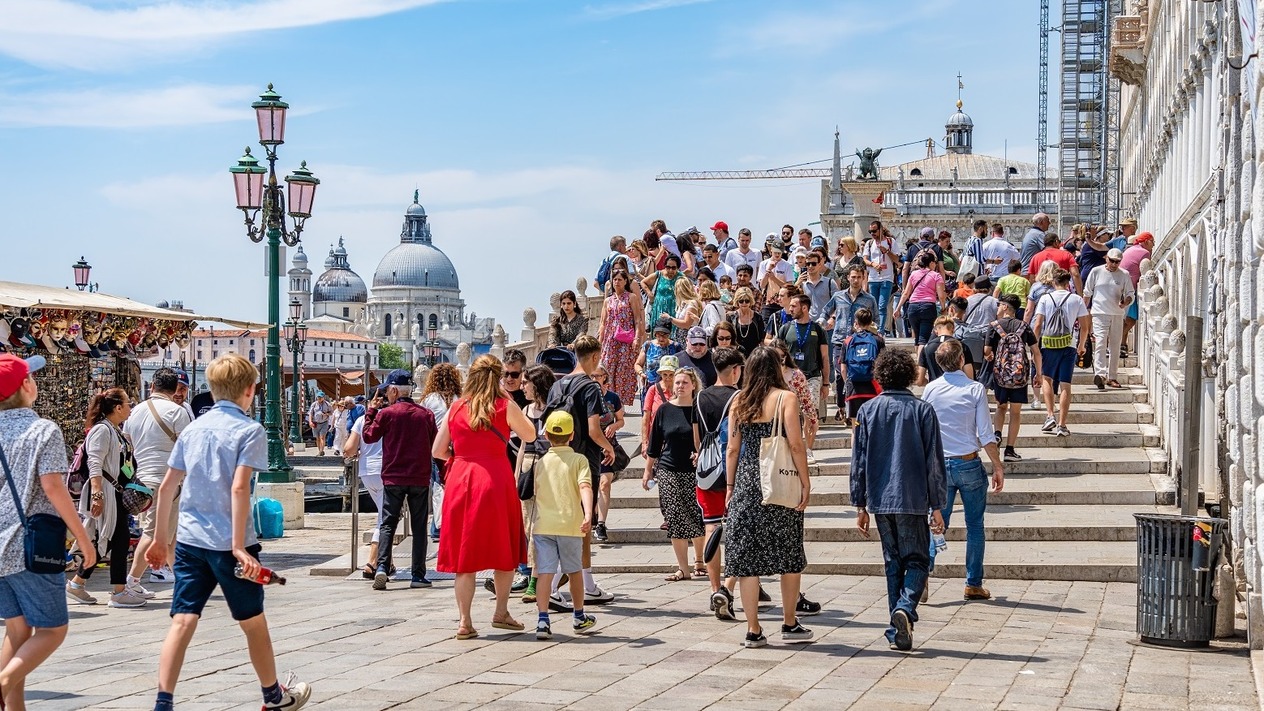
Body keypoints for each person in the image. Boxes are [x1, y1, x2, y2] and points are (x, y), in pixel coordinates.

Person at [146, 353, 312, 711]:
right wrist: (239, 547)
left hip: (190, 539)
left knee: (183, 619)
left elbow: (166, 487)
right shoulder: (249, 430)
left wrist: (160, 539)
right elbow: (240, 488)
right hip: (230, 542)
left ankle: (164, 701)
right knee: (252, 622)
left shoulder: (192, 428)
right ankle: (273, 695)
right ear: (250, 391)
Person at [0, 354, 97, 710]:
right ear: (26, 386)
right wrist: (84, 540)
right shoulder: (43, 429)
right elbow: (54, 487)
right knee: (53, 629)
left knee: (17, 630)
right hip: (29, 545)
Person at [433, 356, 538, 639]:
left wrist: (461, 457)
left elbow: (437, 451)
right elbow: (530, 434)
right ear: (498, 378)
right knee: (503, 548)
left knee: (464, 557)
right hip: (495, 479)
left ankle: (465, 621)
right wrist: (508, 399)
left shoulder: (456, 407)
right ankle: (501, 612)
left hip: (461, 480)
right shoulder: (503, 406)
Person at [851, 349, 946, 652]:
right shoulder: (922, 410)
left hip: (880, 497)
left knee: (893, 562)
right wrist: (938, 504)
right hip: (912, 496)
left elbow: (859, 461)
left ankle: (899, 628)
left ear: (879, 376)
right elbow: (934, 461)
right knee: (917, 559)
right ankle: (905, 608)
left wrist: (860, 503)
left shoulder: (867, 411)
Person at [723, 346, 814, 648]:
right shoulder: (785, 398)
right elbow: (796, 444)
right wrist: (805, 480)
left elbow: (732, 449)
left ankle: (753, 630)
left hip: (748, 484)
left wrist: (730, 486)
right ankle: (789, 623)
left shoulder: (739, 400)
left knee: (747, 561)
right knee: (789, 553)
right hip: (777, 483)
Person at [921, 339, 1005, 602]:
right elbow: (985, 433)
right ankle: (973, 583)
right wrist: (998, 466)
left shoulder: (931, 390)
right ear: (961, 360)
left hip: (939, 465)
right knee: (975, 525)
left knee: (936, 524)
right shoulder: (975, 389)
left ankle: (922, 574)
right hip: (968, 461)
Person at [546, 336, 617, 609]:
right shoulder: (590, 387)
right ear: (596, 356)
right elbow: (593, 430)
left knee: (566, 521)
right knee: (583, 522)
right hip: (583, 461)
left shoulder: (557, 385)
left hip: (557, 459)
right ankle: (555, 586)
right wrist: (608, 448)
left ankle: (587, 585)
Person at [66, 388, 145, 609]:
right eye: (128, 403)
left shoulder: (115, 430)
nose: (131, 406)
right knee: (108, 538)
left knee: (114, 539)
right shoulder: (102, 430)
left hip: (115, 494)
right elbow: (95, 464)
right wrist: (98, 494)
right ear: (118, 408)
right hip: (107, 493)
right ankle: (116, 591)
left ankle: (81, 584)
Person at [363, 369, 438, 590]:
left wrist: (371, 411)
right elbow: (435, 444)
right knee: (419, 527)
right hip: (419, 477)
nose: (386, 394)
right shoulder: (426, 415)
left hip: (393, 477)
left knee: (387, 524)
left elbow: (369, 436)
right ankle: (418, 575)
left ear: (394, 390)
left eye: (387, 390)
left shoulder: (387, 414)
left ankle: (383, 568)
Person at [530, 411, 598, 640]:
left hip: (544, 526)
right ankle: (579, 616)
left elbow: (537, 493)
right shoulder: (579, 460)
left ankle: (542, 620)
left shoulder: (541, 463)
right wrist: (588, 514)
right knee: (574, 571)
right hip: (570, 524)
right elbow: (585, 487)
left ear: (547, 435)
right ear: (572, 435)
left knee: (545, 574)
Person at [124, 368, 192, 592]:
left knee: (169, 535)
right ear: (174, 391)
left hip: (142, 481)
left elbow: (128, 443)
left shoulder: (134, 412)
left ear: (152, 387)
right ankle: (131, 583)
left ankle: (183, 582)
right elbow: (187, 449)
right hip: (167, 481)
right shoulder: (177, 412)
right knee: (153, 533)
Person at [643, 367, 705, 581]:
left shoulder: (700, 409)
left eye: (685, 383)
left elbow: (709, 439)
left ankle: (699, 560)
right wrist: (647, 471)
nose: (680, 386)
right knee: (675, 517)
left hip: (695, 471)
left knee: (697, 516)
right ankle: (683, 568)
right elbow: (655, 444)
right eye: (677, 382)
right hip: (668, 469)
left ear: (693, 385)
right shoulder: (664, 410)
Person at [698, 347, 743, 619]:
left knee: (711, 527)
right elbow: (735, 445)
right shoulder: (738, 397)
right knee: (739, 532)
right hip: (730, 473)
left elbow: (697, 436)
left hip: (705, 470)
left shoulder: (700, 396)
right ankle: (727, 589)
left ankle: (714, 587)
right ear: (735, 370)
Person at [1032, 269, 1091, 437]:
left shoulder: (1045, 298)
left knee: (1047, 379)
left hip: (1048, 344)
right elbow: (1084, 327)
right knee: (1066, 384)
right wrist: (1081, 345)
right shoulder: (1076, 299)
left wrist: (1034, 346)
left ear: (1053, 282)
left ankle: (1050, 415)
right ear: (1068, 284)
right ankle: (1062, 424)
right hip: (1069, 344)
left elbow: (1037, 325)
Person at [516, 364, 556, 603]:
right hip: (529, 466)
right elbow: (522, 446)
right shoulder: (526, 409)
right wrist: (516, 476)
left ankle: (536, 579)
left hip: (548, 465)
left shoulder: (553, 410)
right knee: (529, 525)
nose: (522, 387)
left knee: (543, 524)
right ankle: (534, 576)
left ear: (536, 383)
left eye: (525, 382)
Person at [986, 294, 1042, 462]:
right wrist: (1038, 374)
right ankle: (1010, 450)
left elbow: (987, 351)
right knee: (1015, 412)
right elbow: (1036, 352)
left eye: (999, 305)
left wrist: (991, 356)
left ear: (1005, 307)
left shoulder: (994, 326)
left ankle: (997, 434)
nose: (997, 308)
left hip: (1000, 374)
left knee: (1000, 406)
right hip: (1019, 375)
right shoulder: (1024, 326)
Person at [776, 294, 829, 462]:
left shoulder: (818, 329)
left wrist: (826, 382)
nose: (790, 309)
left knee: (810, 414)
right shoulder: (785, 328)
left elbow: (825, 357)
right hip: (789, 377)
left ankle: (808, 449)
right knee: (788, 414)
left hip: (812, 376)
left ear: (804, 308)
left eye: (793, 306)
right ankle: (790, 447)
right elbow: (777, 354)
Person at [343, 387, 387, 578]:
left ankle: (387, 562)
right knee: (385, 519)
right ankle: (372, 561)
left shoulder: (361, 421)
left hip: (367, 472)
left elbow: (349, 449)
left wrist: (359, 453)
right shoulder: (389, 418)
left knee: (383, 514)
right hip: (386, 471)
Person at [420, 363, 463, 544]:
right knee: (455, 487)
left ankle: (437, 526)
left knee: (438, 486)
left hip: (435, 447)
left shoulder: (429, 399)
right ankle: (451, 524)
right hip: (458, 447)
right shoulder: (459, 398)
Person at [1083, 248, 1136, 390]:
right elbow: (1087, 292)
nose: (1114, 264)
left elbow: (1130, 293)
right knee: (1100, 342)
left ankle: (1112, 376)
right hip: (1099, 313)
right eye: (1112, 261)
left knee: (1115, 346)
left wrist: (1126, 301)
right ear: (1106, 258)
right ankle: (1100, 374)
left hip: (1117, 314)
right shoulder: (1096, 271)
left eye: (1117, 262)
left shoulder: (1124, 274)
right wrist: (1082, 312)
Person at [592, 366, 624, 544]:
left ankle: (601, 523)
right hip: (590, 447)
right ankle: (593, 515)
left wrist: (614, 426)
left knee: (604, 484)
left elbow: (621, 419)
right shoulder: (586, 396)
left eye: (598, 376)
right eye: (592, 376)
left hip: (609, 447)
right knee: (592, 485)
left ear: (605, 377)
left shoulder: (612, 398)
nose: (595, 378)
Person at [893, 252, 947, 355]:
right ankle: (921, 365)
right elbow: (941, 295)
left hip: (912, 307)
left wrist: (898, 308)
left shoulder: (914, 274)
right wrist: (943, 307)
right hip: (928, 307)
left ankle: (918, 362)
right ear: (931, 263)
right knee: (924, 338)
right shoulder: (936, 276)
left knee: (917, 337)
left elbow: (906, 293)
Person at [839, 308, 885, 426]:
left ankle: (856, 444)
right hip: (873, 387)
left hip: (854, 389)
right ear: (870, 323)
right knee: (873, 425)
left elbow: (843, 369)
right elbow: (883, 365)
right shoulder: (878, 340)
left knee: (856, 426)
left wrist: (847, 383)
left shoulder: (848, 341)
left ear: (856, 322)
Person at [1118, 231, 1154, 357]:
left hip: (1124, 286)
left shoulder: (1132, 249)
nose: (1153, 245)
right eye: (1152, 242)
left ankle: (1122, 344)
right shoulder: (1145, 252)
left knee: (1127, 319)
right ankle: (1118, 342)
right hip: (1130, 289)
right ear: (1145, 241)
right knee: (1131, 320)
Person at [635, 319, 682, 408]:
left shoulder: (676, 347)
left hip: (670, 388)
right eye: (658, 335)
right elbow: (637, 364)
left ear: (669, 334)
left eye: (664, 335)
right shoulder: (648, 345)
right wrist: (641, 373)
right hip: (650, 387)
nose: (661, 338)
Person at [863, 221, 899, 334]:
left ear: (881, 230)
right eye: (870, 231)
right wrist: (873, 264)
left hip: (887, 278)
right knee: (873, 305)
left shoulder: (890, 241)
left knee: (882, 305)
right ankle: (873, 328)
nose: (872, 233)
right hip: (873, 278)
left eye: (874, 231)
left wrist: (887, 251)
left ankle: (880, 330)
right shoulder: (869, 243)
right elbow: (865, 259)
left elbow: (897, 260)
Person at [918, 316, 976, 384]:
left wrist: (930, 383)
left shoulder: (926, 348)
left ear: (935, 331)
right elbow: (970, 377)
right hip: (958, 389)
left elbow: (920, 380)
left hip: (936, 390)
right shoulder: (961, 346)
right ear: (953, 329)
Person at [642, 254, 685, 337]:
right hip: (659, 309)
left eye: (673, 268)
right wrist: (649, 294)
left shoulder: (681, 277)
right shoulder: (659, 274)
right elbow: (643, 282)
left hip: (673, 309)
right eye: (668, 267)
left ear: (678, 268)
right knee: (658, 334)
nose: (670, 270)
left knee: (672, 335)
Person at [757, 243, 795, 319]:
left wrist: (774, 278)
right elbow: (761, 285)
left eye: (779, 252)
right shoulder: (764, 264)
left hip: (782, 302)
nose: (777, 255)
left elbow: (789, 286)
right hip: (768, 302)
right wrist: (768, 271)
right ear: (771, 251)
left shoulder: (787, 265)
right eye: (775, 252)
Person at [729, 287, 766, 355]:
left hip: (754, 355)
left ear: (751, 301)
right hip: (736, 355)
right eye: (741, 301)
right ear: (737, 301)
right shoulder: (731, 317)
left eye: (747, 300)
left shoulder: (757, 317)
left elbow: (762, 339)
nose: (744, 303)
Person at [307, 392, 331, 456]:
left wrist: (326, 414)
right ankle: (319, 450)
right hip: (316, 423)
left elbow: (331, 413)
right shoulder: (314, 404)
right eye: (318, 397)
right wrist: (310, 422)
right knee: (317, 438)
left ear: (323, 398)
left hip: (324, 423)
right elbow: (310, 414)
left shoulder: (327, 404)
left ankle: (321, 451)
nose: (319, 398)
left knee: (322, 437)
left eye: (320, 397)